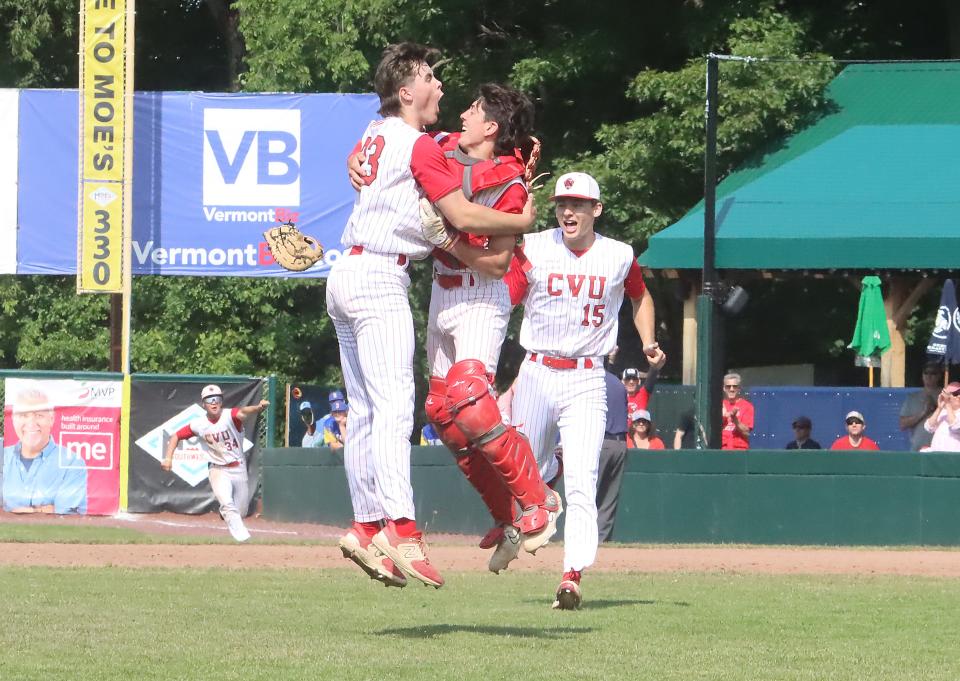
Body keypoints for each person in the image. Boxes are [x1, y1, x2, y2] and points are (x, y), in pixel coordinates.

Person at [326, 42, 535, 590]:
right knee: (395, 411)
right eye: (429, 79)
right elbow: (462, 213)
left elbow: (360, 154)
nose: (440, 87)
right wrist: (525, 221)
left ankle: (364, 524)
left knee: (366, 412)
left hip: (344, 273)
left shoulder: (377, 132)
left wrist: (352, 160)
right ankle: (404, 532)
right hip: (379, 278)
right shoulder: (419, 146)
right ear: (405, 91)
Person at [504, 171, 666, 610]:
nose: (567, 211)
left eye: (577, 203)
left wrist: (648, 341)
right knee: (525, 471)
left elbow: (641, 296)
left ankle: (572, 576)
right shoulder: (535, 246)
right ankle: (525, 506)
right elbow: (509, 295)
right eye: (561, 203)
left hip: (587, 376)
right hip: (536, 369)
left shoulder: (618, 255)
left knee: (582, 480)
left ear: (596, 209)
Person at [161, 385, 269, 542]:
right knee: (228, 503)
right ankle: (244, 539)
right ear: (203, 404)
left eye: (217, 399)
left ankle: (224, 511)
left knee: (241, 511)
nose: (214, 402)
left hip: (238, 467)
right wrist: (168, 458)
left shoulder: (229, 416)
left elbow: (244, 412)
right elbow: (176, 436)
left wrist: (258, 408)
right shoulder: (199, 424)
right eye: (210, 400)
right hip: (218, 469)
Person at [2, 385, 87, 514]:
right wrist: (43, 509)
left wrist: (18, 511)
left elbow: (67, 512)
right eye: (23, 415)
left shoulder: (72, 461)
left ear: (51, 419)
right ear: (13, 419)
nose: (31, 422)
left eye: (39, 415)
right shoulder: (3, 454)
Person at [596, 349, 628, 543]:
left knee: (587, 494)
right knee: (609, 497)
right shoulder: (617, 383)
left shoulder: (593, 382)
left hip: (601, 442)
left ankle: (584, 539)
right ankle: (601, 541)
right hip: (620, 444)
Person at [900, 363, 944, 451]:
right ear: (922, 375)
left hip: (941, 447)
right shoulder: (912, 397)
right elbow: (902, 424)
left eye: (933, 373)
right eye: (926, 373)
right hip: (918, 447)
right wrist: (924, 412)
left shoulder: (946, 396)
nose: (929, 376)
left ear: (939, 376)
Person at [923, 382, 960, 452]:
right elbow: (928, 427)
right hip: (937, 456)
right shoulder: (943, 412)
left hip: (954, 457)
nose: (959, 396)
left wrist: (947, 403)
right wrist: (939, 408)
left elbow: (955, 426)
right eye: (955, 394)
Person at [721, 373, 754, 450]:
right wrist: (723, 417)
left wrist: (734, 419)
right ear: (724, 388)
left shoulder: (747, 406)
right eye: (728, 386)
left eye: (734, 386)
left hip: (740, 450)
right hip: (722, 450)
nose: (731, 389)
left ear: (739, 389)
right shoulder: (719, 406)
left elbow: (746, 432)